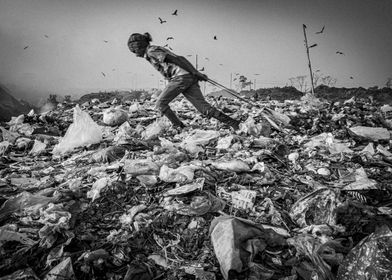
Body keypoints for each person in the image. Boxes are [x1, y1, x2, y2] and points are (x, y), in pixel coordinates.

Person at [127, 32, 240, 130]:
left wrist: (195, 72)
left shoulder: (151, 51)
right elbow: (181, 58)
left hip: (180, 78)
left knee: (160, 104)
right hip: (188, 76)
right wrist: (194, 72)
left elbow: (177, 59)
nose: (136, 55)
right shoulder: (155, 49)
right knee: (202, 107)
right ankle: (233, 123)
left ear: (139, 47)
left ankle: (179, 127)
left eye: (134, 51)